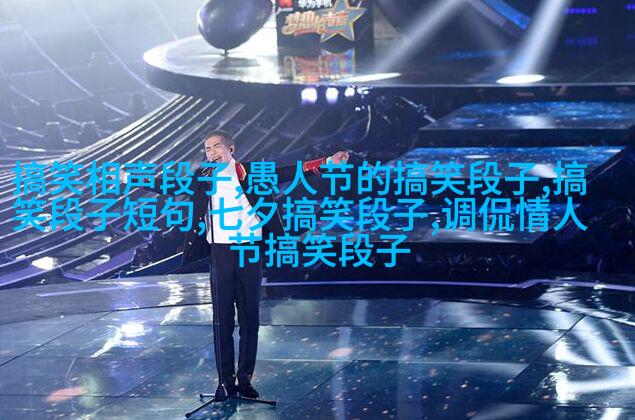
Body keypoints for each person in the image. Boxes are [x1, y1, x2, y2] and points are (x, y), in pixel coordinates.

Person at [121, 130, 349, 400]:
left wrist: (327, 162)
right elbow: (170, 185)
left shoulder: (251, 172)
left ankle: (245, 380)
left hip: (249, 251)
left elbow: (290, 171)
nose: (212, 153)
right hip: (221, 252)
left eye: (217, 147)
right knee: (222, 320)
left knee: (250, 317)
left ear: (231, 149)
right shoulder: (203, 177)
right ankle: (225, 383)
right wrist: (130, 178)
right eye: (207, 149)